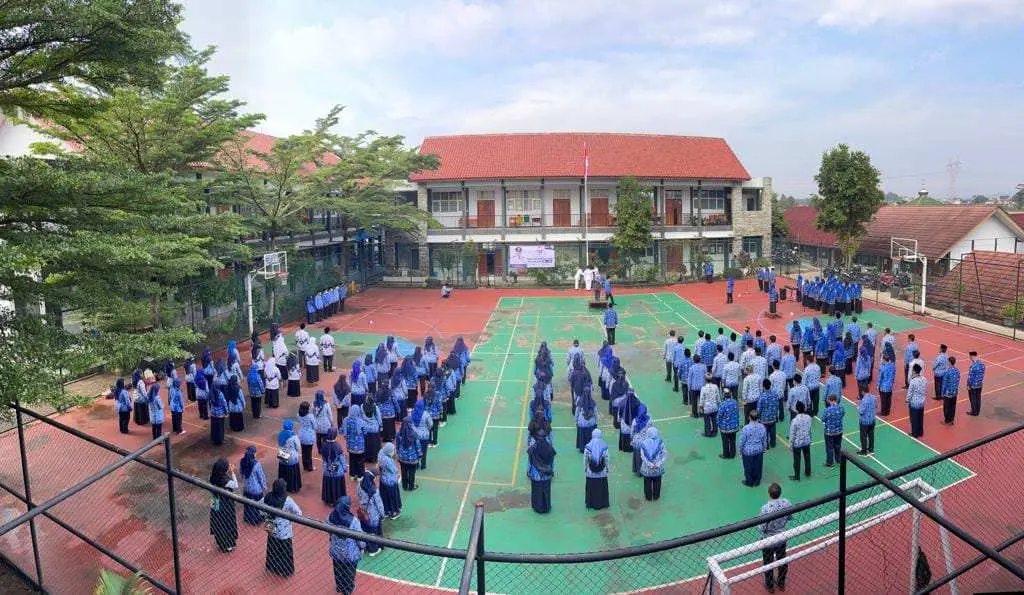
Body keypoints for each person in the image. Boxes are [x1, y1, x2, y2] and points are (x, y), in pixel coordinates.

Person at [263, 478, 302, 577]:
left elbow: (260, 508)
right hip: (283, 531)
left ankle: (272, 566)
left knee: (272, 546)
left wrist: (267, 516)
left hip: (271, 527)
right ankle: (285, 570)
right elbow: (298, 513)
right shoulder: (287, 500)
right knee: (285, 550)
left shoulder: (267, 497)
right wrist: (288, 519)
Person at [759, 483, 792, 593]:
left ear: (769, 494)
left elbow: (762, 527)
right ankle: (781, 583)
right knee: (782, 560)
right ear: (780, 493)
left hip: (768, 541)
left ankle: (770, 586)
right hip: (781, 538)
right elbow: (789, 517)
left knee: (768, 563)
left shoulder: (765, 509)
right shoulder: (786, 503)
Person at [328, 496, 365, 595]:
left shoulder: (331, 516)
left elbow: (329, 531)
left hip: (336, 551)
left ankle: (339, 586)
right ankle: (348, 590)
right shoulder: (353, 521)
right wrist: (362, 547)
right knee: (349, 572)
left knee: (338, 569)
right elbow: (360, 539)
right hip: (350, 553)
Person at [209, 458, 239, 553]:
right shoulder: (226, 481)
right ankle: (228, 544)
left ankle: (220, 541)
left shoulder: (213, 477)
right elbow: (235, 485)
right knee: (227, 522)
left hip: (215, 500)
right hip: (225, 503)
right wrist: (232, 472)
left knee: (217, 520)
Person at [527, 430, 556, 513]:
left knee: (536, 490)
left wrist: (529, 471)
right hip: (547, 474)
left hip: (536, 474)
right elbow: (552, 462)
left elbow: (531, 461)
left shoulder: (533, 448)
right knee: (546, 491)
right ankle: (546, 506)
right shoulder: (549, 448)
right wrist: (550, 470)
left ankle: (537, 507)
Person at [358, 472, 385, 556]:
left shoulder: (359, 486)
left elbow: (359, 496)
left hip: (364, 514)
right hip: (373, 515)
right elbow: (379, 504)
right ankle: (373, 550)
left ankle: (367, 546)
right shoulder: (374, 491)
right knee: (375, 532)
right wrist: (382, 514)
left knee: (366, 531)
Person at [583, 428, 610, 510]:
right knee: (601, 488)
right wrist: (608, 468)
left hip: (590, 473)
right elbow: (607, 459)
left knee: (591, 487)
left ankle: (590, 503)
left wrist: (585, 468)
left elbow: (585, 459)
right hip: (602, 473)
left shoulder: (587, 447)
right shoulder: (604, 447)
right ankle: (602, 503)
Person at [240, 446, 267, 526]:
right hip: (256, 489)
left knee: (248, 503)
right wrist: (264, 486)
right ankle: (256, 519)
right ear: (253, 454)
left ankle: (248, 518)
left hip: (246, 488)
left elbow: (241, 473)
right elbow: (261, 477)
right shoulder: (256, 464)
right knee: (258, 504)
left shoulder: (242, 462)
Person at [740, 410, 768, 487]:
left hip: (748, 452)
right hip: (759, 450)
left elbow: (742, 441)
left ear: (749, 417)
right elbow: (764, 439)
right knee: (758, 466)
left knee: (748, 467)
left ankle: (749, 481)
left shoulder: (746, 428)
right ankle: (757, 481)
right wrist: (764, 448)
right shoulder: (762, 427)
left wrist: (740, 450)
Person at [639, 427, 667, 501]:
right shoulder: (660, 442)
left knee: (647, 483)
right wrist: (658, 464)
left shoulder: (644, 443)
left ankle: (648, 497)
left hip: (647, 469)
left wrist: (650, 464)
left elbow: (642, 456)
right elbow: (664, 454)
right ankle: (656, 496)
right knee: (657, 482)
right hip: (658, 468)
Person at [320, 428, 347, 505]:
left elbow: (323, 457)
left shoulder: (324, 445)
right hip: (337, 471)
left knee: (329, 484)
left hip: (327, 470)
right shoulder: (338, 446)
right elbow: (342, 459)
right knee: (337, 485)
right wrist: (344, 468)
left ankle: (329, 500)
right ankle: (337, 500)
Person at [377, 443, 402, 519]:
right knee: (392, 497)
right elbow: (393, 470)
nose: (394, 452)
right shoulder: (388, 460)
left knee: (384, 496)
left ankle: (386, 511)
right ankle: (394, 512)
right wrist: (397, 473)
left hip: (383, 479)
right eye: (392, 451)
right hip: (390, 481)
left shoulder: (381, 453)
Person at [788, 402, 812, 481]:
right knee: (807, 457)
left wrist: (790, 444)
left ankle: (797, 476)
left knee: (797, 460)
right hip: (806, 441)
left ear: (796, 410)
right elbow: (809, 430)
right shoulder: (808, 417)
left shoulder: (794, 420)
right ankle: (808, 472)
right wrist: (810, 439)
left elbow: (792, 434)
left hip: (797, 443)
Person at [277, 420, 302, 493]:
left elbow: (279, 444)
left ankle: (283, 486)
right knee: (292, 472)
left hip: (282, 454)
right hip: (291, 457)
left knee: (283, 471)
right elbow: (298, 447)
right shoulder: (294, 436)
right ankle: (292, 488)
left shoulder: (280, 434)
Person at [396, 420, 421, 491]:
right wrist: (420, 455)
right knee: (412, 473)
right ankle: (411, 486)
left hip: (402, 458)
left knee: (403, 472)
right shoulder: (414, 434)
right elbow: (417, 446)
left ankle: (404, 486)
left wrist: (398, 453)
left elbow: (397, 445)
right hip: (412, 458)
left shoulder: (399, 434)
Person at [822, 395, 844, 467]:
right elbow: (843, 414)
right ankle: (838, 459)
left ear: (830, 400)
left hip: (829, 432)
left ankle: (830, 463)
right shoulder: (841, 407)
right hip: (839, 431)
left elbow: (823, 419)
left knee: (829, 447)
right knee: (838, 446)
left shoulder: (827, 410)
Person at [717, 389, 740, 459]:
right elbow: (737, 412)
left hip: (725, 427)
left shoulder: (722, 404)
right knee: (733, 440)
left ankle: (726, 454)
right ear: (731, 394)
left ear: (724, 396)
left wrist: (718, 424)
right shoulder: (735, 402)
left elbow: (719, 416)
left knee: (725, 441)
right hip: (734, 426)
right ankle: (732, 454)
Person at [411, 400, 432, 469]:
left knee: (416, 450)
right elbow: (430, 424)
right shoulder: (426, 414)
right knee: (424, 451)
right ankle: (423, 465)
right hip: (424, 436)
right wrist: (427, 429)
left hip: (415, 435)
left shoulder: (412, 413)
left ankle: (416, 464)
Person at [907, 364, 927, 437]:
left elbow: (910, 392)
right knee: (920, 418)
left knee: (914, 419)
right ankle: (920, 432)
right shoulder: (924, 379)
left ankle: (915, 433)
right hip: (921, 402)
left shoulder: (913, 381)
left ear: (914, 371)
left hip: (914, 403)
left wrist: (907, 400)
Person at [941, 356, 961, 425]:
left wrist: (942, 393)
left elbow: (944, 383)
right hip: (954, 392)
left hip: (948, 393)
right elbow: (958, 380)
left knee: (946, 407)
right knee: (953, 407)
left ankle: (947, 420)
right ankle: (952, 420)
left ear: (949, 362)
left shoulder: (947, 372)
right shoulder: (957, 370)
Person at [966, 351, 985, 416]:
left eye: (970, 357)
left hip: (973, 385)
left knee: (973, 398)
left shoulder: (973, 366)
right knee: (978, 398)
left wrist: (968, 385)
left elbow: (970, 377)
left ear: (972, 356)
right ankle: (977, 411)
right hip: (980, 384)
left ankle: (974, 411)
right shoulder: (982, 364)